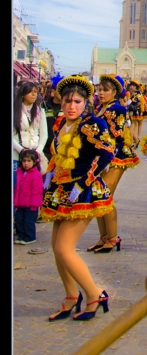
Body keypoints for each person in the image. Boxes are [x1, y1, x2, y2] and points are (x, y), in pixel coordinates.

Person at [41, 76, 115, 321]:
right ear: (60, 102)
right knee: (56, 248)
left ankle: (95, 293)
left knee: (64, 248)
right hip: (60, 191)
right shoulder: (60, 124)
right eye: (67, 101)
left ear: (86, 103)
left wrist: (84, 181)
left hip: (83, 192)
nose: (72, 106)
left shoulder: (91, 124)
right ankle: (71, 296)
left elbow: (106, 153)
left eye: (77, 101)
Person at [85, 74, 139, 253]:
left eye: (105, 90)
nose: (101, 93)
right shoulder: (99, 108)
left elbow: (115, 135)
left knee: (105, 195)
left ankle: (113, 237)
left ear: (114, 92)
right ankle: (104, 237)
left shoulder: (117, 109)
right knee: (97, 196)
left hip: (115, 157)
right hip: (100, 157)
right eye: (99, 89)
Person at [13, 80, 48, 182]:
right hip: (17, 152)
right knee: (17, 184)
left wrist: (37, 151)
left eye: (35, 92)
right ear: (23, 94)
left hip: (35, 153)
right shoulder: (15, 110)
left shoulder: (40, 111)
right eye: (30, 92)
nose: (34, 95)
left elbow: (44, 134)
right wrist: (21, 150)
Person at [14, 149, 44, 245]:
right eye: (24, 161)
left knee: (28, 222)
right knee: (19, 220)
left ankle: (30, 237)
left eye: (29, 161)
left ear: (34, 162)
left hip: (31, 205)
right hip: (20, 203)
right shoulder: (19, 172)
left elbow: (37, 191)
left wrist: (35, 205)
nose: (26, 164)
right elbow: (17, 188)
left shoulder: (36, 174)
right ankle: (22, 236)